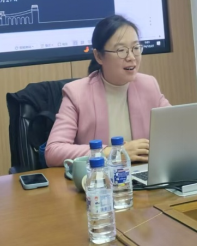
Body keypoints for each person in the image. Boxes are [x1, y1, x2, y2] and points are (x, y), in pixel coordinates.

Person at [45, 15, 170, 167]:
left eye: (136, 48)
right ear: (99, 56)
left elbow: (176, 129)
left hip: (141, 174)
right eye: (121, 50)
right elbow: (53, 151)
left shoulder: (148, 85)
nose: (131, 57)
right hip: (98, 178)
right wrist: (113, 152)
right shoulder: (76, 93)